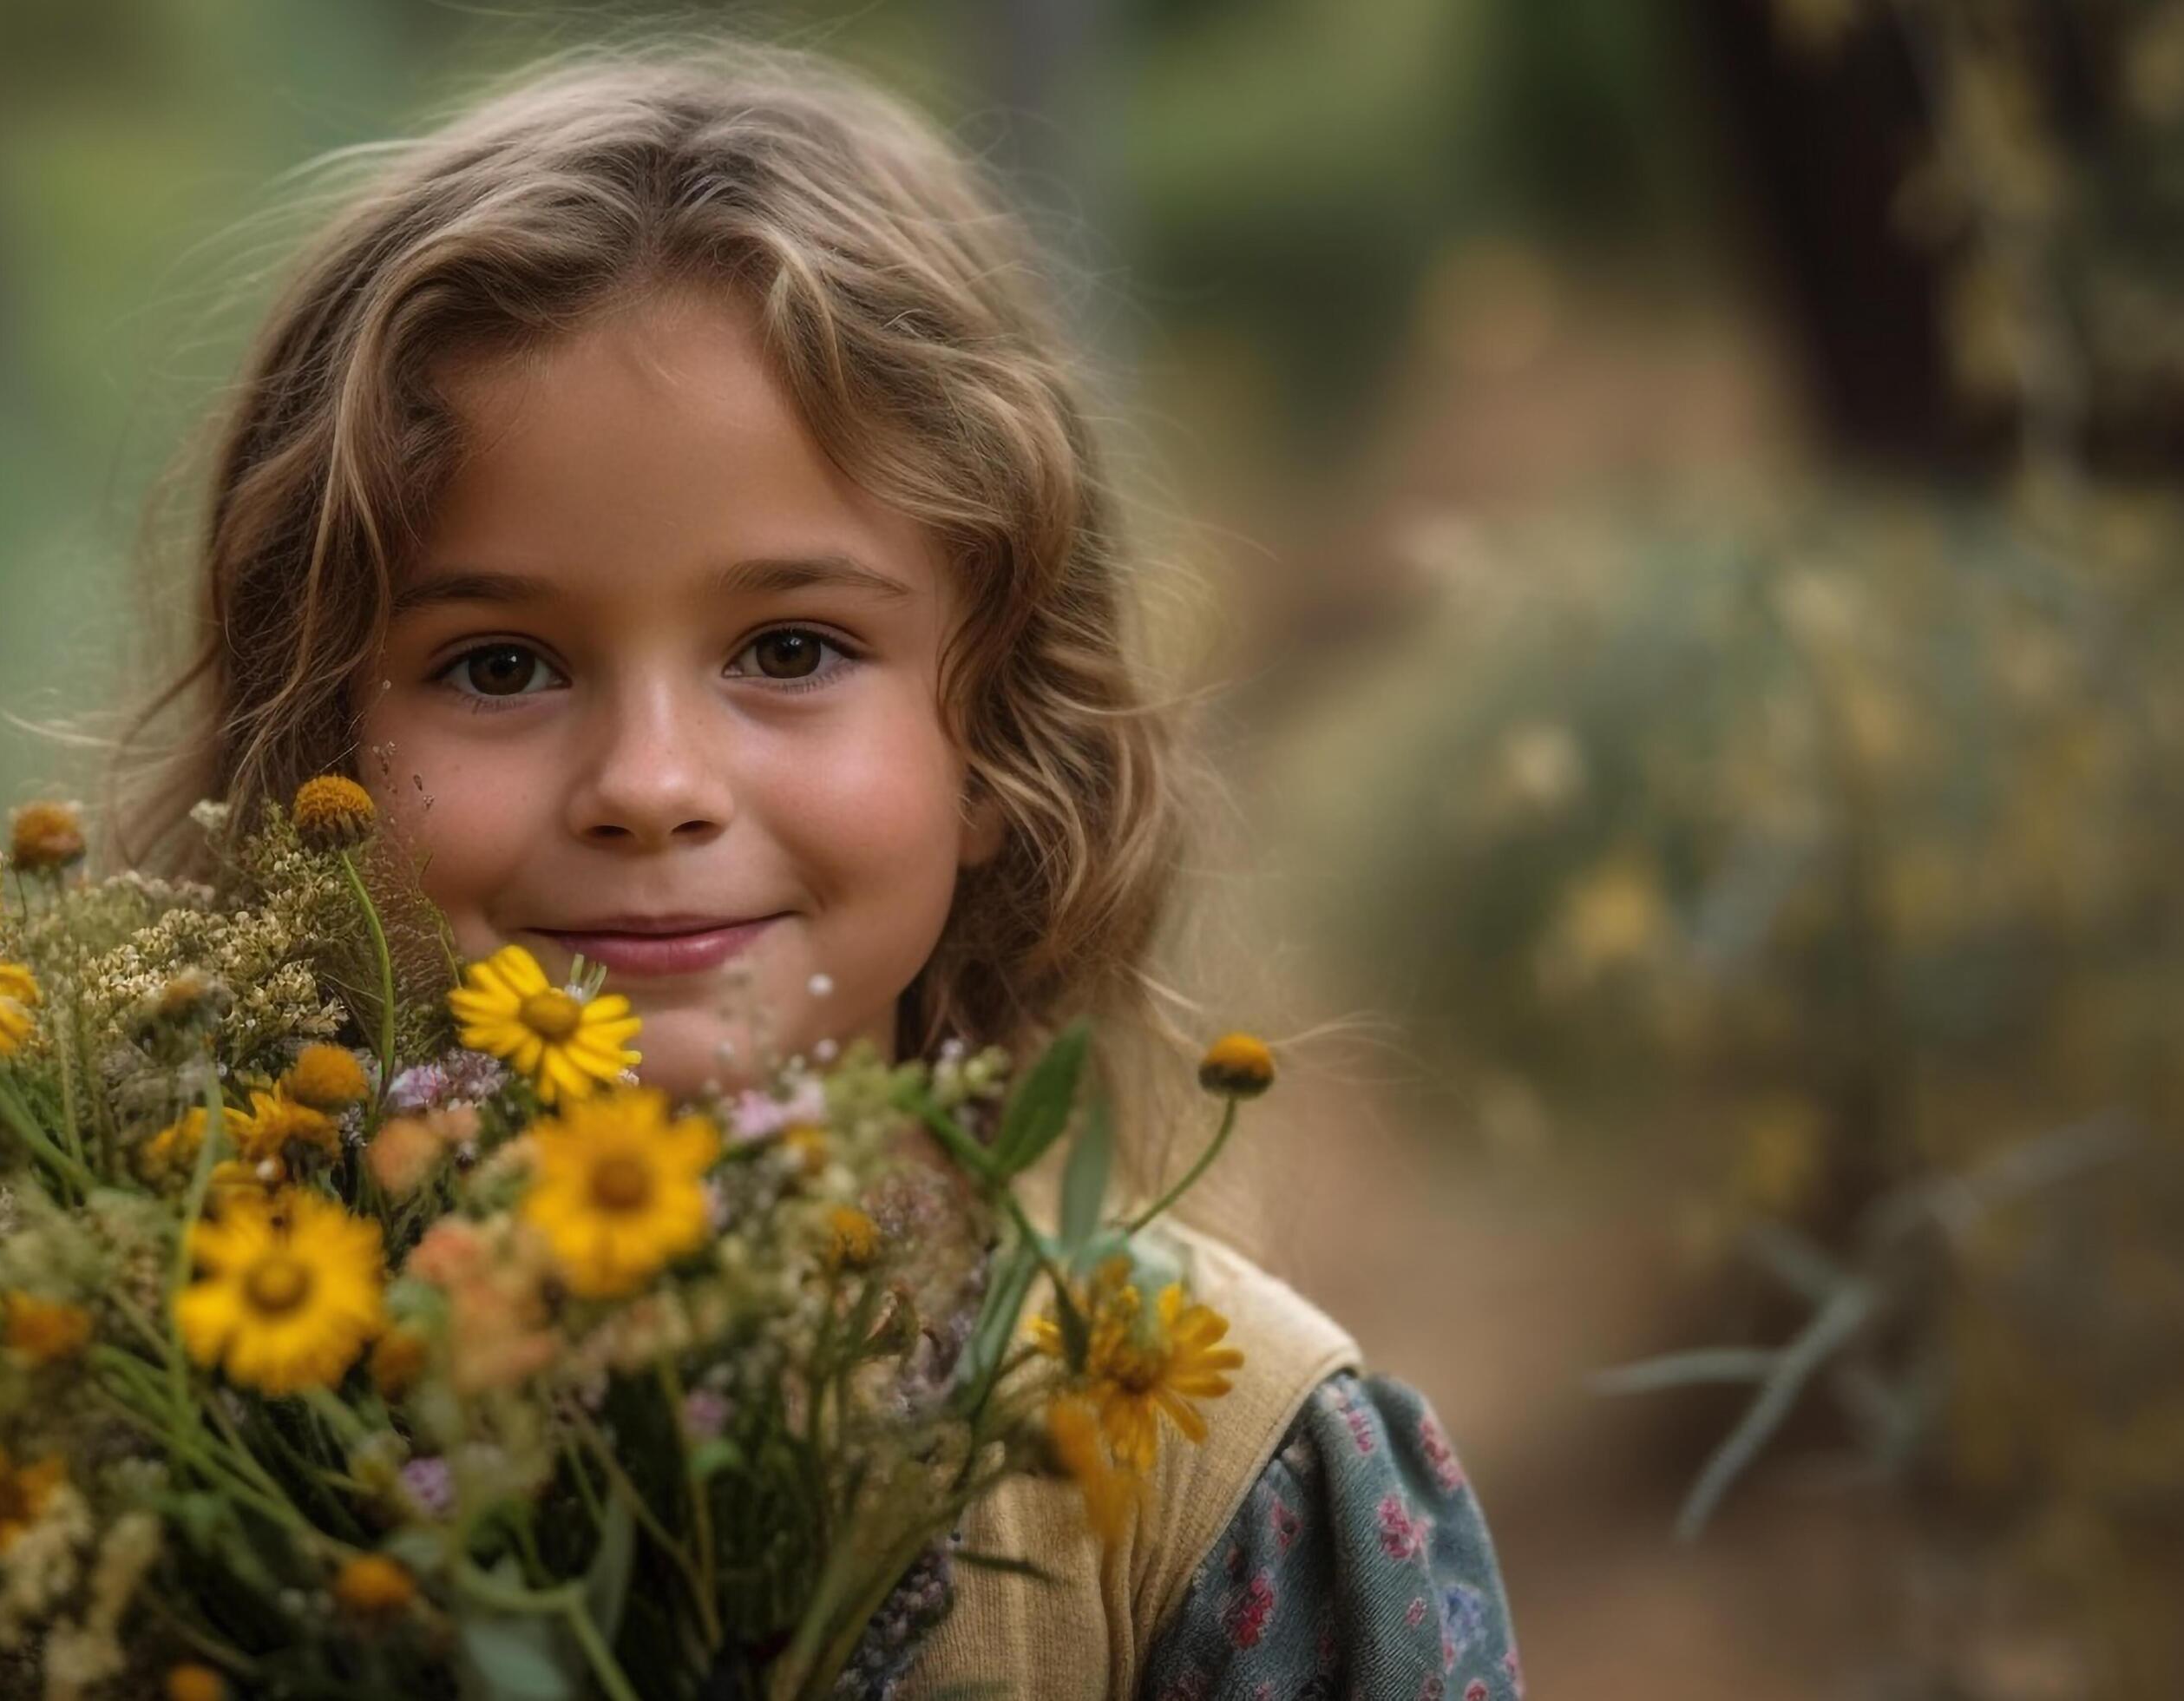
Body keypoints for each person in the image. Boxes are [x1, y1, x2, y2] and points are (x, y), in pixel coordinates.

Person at [110, 39, 1521, 1701]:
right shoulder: (168, 1439)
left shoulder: (1221, 1479)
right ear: (316, 770)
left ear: (997, 742)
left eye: (787, 646)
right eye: (499, 667)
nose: (649, 787)